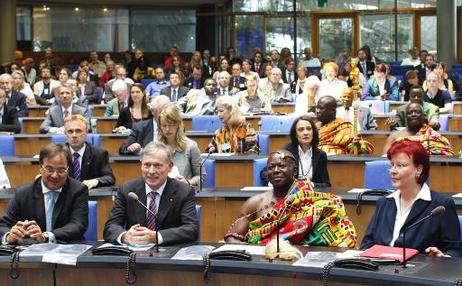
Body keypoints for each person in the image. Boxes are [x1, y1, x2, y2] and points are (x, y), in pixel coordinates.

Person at [224, 150, 356, 247]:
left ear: (294, 171)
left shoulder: (307, 198)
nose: (275, 170)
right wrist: (258, 249)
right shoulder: (254, 203)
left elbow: (334, 235)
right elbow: (231, 238)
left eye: (281, 166)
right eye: (271, 168)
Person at [361, 139, 461, 257]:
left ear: (419, 169)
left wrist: (443, 257)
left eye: (400, 165)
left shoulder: (440, 206)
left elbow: (456, 251)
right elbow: (366, 245)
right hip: (381, 272)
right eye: (392, 165)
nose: (392, 171)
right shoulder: (384, 202)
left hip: (418, 273)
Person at [104, 141, 198, 245]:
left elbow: (191, 229)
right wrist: (125, 236)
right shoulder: (127, 190)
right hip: (135, 253)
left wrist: (156, 236)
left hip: (169, 253)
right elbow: (111, 227)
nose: (151, 171)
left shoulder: (184, 191)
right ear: (141, 165)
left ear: (170, 166)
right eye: (147, 165)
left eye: (157, 166)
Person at [0, 143, 88, 244]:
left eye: (61, 170)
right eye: (49, 169)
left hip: (68, 250)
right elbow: (3, 225)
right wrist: (9, 236)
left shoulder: (78, 190)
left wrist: (46, 236)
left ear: (68, 169)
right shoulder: (23, 193)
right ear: (41, 167)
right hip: (31, 253)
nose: (55, 175)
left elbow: (78, 225)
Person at [158, 104, 204, 186]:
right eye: (164, 126)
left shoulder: (191, 146)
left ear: (178, 125)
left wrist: (188, 182)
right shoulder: (156, 146)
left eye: (171, 125)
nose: (167, 129)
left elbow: (201, 176)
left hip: (182, 192)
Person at [64, 115, 115, 189]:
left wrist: (96, 181)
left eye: (78, 131)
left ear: (86, 133)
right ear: (65, 133)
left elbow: (109, 178)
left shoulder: (99, 154)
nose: (74, 135)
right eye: (70, 131)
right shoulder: (58, 154)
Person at [383, 103, 454, 156]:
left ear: (424, 116)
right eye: (410, 112)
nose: (413, 114)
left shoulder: (434, 136)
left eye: (417, 112)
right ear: (405, 117)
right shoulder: (394, 136)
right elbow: (385, 160)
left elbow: (447, 158)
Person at [285, 116, 330, 187]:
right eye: (301, 130)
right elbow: (267, 173)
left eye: (309, 129)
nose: (306, 133)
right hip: (291, 194)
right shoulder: (287, 152)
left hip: (311, 195)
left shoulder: (321, 155)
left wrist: (312, 184)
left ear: (313, 132)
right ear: (295, 135)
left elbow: (326, 184)